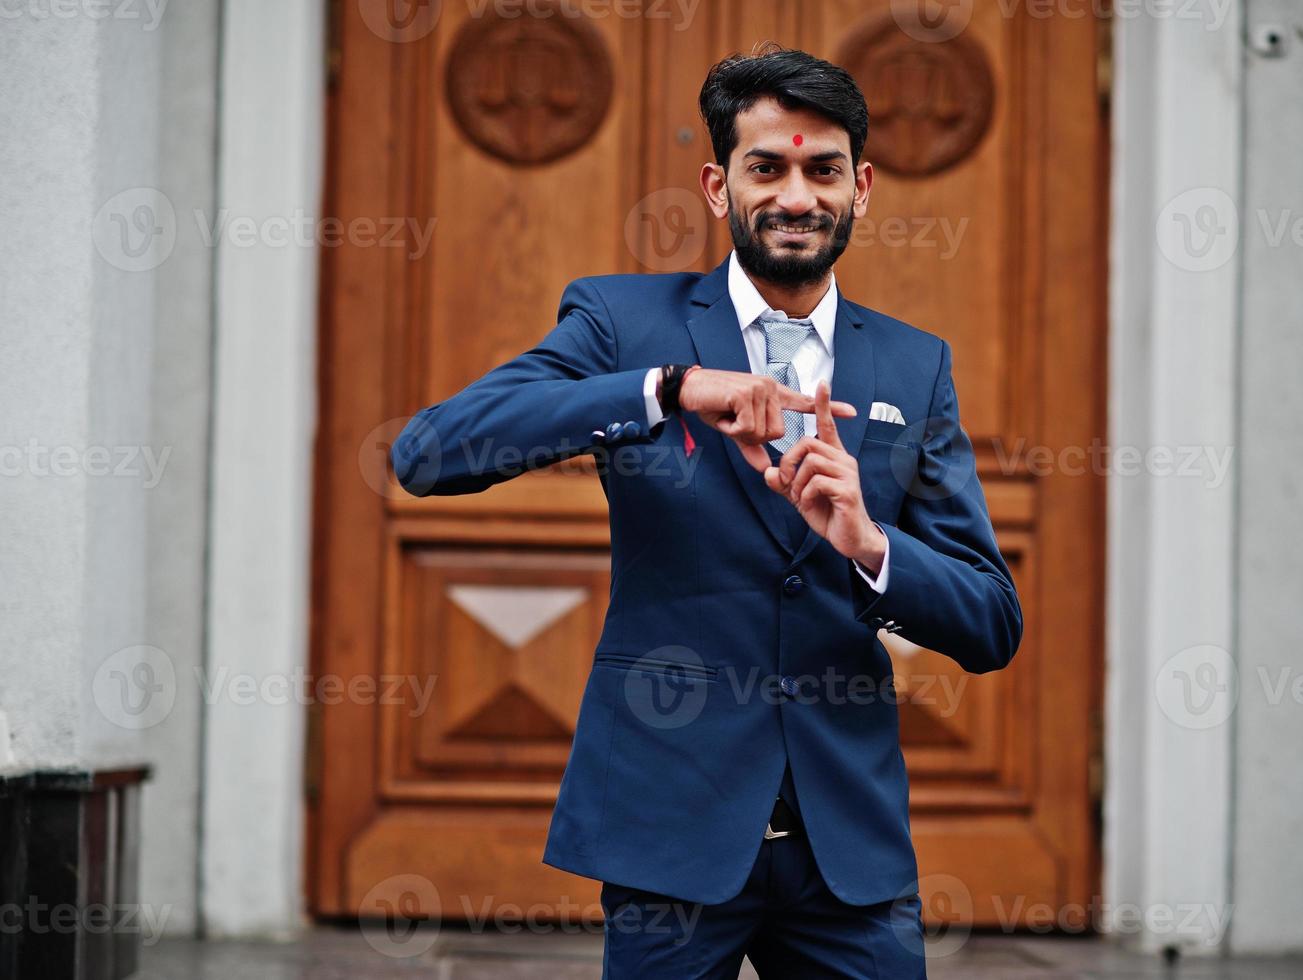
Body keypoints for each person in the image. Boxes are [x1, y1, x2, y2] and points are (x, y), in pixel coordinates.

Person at [392, 44, 1023, 980]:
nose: (797, 195)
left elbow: (990, 621)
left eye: (823, 169)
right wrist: (666, 386)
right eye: (766, 167)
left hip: (844, 852)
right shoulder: (622, 325)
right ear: (718, 185)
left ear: (863, 188)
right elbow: (431, 452)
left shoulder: (912, 366)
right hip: (668, 830)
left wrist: (871, 545)